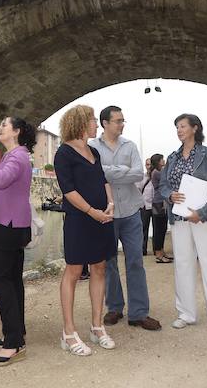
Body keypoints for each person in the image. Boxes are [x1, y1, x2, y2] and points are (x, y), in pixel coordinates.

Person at [159, 113, 207, 338]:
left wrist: (201, 212)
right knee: (182, 265)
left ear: (195, 128)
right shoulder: (172, 157)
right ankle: (186, 314)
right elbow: (163, 185)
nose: (179, 130)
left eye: (182, 126)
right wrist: (169, 195)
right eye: (177, 127)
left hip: (205, 218)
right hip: (180, 219)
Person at [91, 106, 161, 332]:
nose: (122, 124)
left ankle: (139, 313)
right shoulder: (91, 147)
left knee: (135, 262)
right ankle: (114, 307)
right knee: (108, 263)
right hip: (106, 213)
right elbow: (94, 173)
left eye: (123, 121)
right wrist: (122, 170)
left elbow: (138, 173)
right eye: (118, 121)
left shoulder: (130, 146)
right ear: (104, 123)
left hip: (131, 211)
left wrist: (109, 171)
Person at [54, 105, 116, 356]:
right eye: (92, 120)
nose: (96, 124)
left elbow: (103, 181)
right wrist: (93, 212)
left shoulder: (94, 151)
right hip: (80, 220)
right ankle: (68, 333)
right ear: (80, 123)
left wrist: (110, 205)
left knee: (99, 267)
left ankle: (97, 327)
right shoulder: (63, 154)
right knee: (74, 270)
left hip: (102, 219)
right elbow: (68, 191)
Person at [0, 117, 36, 367]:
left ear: (16, 132)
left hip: (10, 226)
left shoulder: (17, 156)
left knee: (1, 280)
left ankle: (13, 343)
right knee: (11, 279)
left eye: (4, 125)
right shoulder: (15, 155)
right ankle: (17, 332)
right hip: (10, 224)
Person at [149, 153, 172, 263]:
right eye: (162, 159)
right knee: (159, 229)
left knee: (162, 229)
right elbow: (168, 178)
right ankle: (158, 254)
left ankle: (162, 252)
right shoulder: (157, 172)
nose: (163, 161)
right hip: (158, 203)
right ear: (157, 161)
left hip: (161, 202)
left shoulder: (157, 171)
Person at [141, 157, 153, 256]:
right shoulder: (142, 177)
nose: (149, 166)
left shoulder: (159, 176)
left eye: (150, 164)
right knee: (143, 228)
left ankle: (157, 250)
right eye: (147, 164)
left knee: (158, 229)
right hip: (145, 206)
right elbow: (137, 190)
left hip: (157, 206)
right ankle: (143, 249)